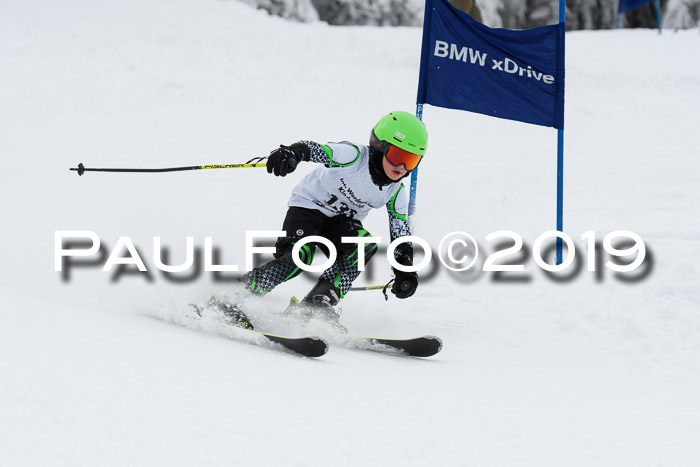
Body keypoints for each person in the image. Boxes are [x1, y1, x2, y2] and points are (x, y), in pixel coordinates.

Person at [229, 111, 428, 327]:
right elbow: (314, 150)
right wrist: (292, 153)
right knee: (300, 256)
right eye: (397, 156)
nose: (402, 167)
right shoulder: (352, 156)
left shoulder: (396, 192)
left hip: (340, 222)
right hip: (308, 207)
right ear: (378, 146)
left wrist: (405, 271)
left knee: (364, 246)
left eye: (411, 160)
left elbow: (401, 236)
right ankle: (237, 295)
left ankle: (317, 303)